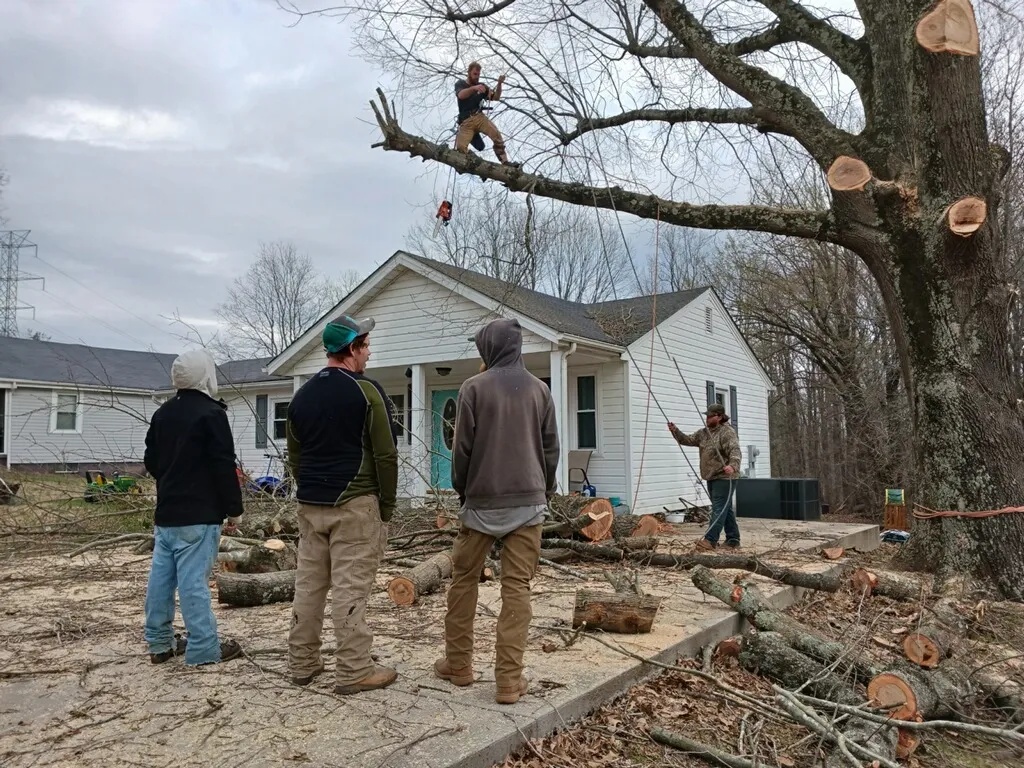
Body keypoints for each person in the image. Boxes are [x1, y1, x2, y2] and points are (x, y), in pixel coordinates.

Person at [433, 318, 559, 705]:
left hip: (481, 502)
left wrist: (463, 491)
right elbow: (550, 448)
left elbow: (461, 449)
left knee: (463, 581)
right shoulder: (540, 390)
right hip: (528, 503)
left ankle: (459, 665)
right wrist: (546, 490)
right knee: (517, 588)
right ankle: (508, 680)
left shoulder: (473, 388)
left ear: (489, 348)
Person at [285, 314, 399, 695]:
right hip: (355, 504)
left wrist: (311, 489)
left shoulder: (301, 396)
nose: (368, 353)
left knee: (309, 585)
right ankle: (353, 669)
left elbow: (296, 456)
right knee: (350, 588)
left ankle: (302, 662)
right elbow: (386, 455)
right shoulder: (366, 393)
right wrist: (386, 505)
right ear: (351, 349)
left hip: (310, 504)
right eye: (365, 346)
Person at [143, 349, 244, 666]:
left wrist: (173, 479)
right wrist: (234, 509)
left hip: (167, 514)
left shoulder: (163, 413)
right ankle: (203, 648)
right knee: (193, 583)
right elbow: (223, 465)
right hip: (199, 515)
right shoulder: (211, 414)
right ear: (205, 375)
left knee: (161, 581)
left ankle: (159, 643)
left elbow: (151, 461)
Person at [668, 403, 742, 551]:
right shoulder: (704, 433)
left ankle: (710, 540)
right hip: (711, 476)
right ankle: (733, 539)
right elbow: (687, 440)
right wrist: (675, 431)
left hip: (725, 477)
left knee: (718, 508)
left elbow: (735, 450)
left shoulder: (727, 432)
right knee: (725, 508)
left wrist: (732, 466)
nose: (707, 419)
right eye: (706, 416)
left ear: (719, 417)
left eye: (710, 416)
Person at [454, 61, 521, 167]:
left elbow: (496, 97)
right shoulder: (461, 84)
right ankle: (470, 163)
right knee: (460, 148)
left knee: (496, 135)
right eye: (475, 74)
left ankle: (505, 162)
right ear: (469, 72)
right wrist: (474, 88)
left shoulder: (482, 86)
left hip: (479, 117)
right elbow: (461, 95)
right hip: (465, 122)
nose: (477, 77)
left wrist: (499, 84)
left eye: (478, 74)